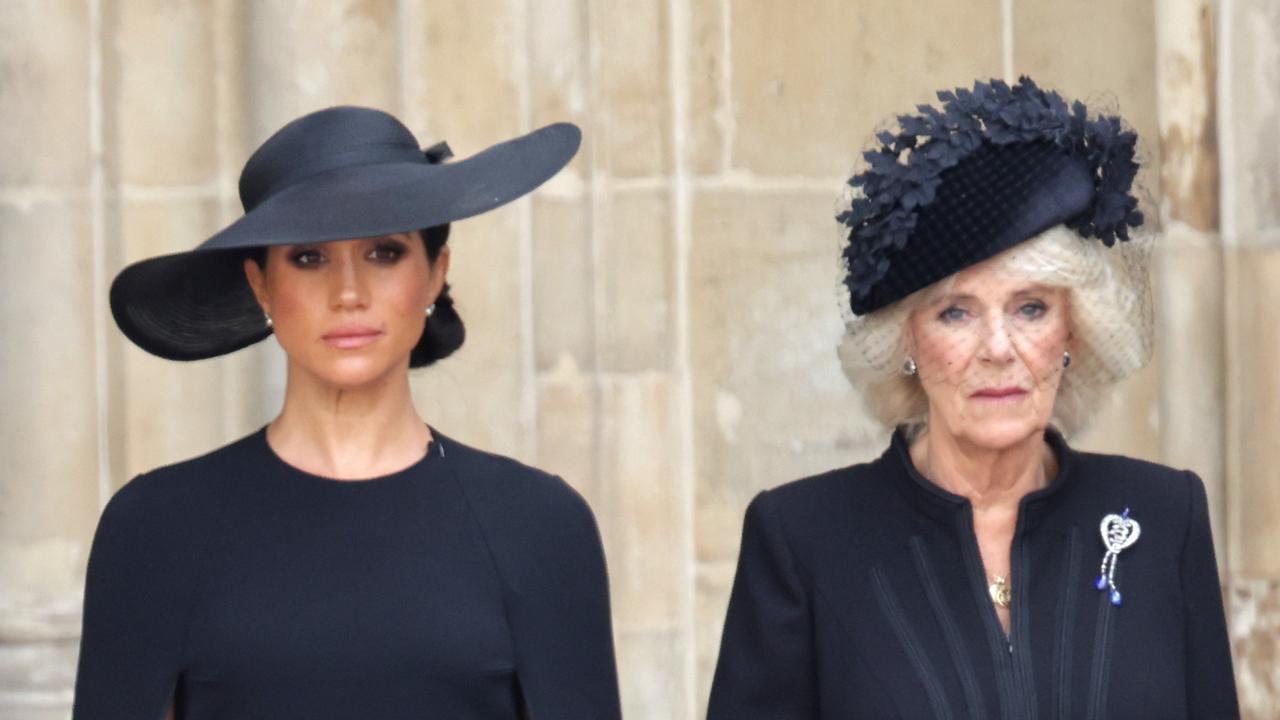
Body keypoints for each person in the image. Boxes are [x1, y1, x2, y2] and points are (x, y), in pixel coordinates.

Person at [707, 78, 1239, 719]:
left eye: (1031, 308)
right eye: (956, 314)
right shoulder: (803, 540)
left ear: (1073, 332)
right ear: (905, 341)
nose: (998, 348)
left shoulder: (1162, 516)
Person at [73, 106, 621, 720]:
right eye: (309, 257)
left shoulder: (539, 524)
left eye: (384, 252)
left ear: (437, 272)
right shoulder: (156, 527)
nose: (349, 293)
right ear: (260, 285)